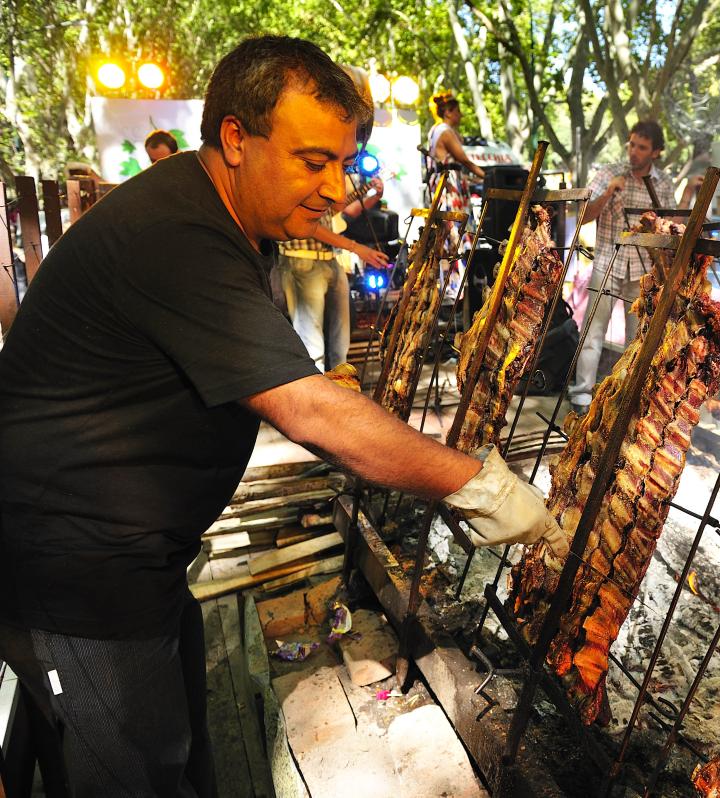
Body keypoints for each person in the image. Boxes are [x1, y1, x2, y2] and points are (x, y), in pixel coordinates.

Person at [0, 36, 566, 796]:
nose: (336, 188)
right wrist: (478, 485)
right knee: (128, 772)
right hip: (73, 569)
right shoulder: (176, 234)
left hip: (135, 556)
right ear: (236, 138)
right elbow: (307, 411)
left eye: (341, 160)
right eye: (312, 161)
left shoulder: (216, 213)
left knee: (175, 746)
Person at [567, 120, 677, 414]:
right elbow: (583, 216)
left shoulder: (663, 184)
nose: (634, 152)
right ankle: (581, 397)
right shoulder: (608, 173)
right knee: (592, 332)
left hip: (642, 269)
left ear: (655, 152)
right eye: (632, 144)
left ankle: (625, 400)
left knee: (636, 339)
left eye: (642, 147)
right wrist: (607, 194)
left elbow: (670, 228)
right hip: (608, 262)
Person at [276, 174, 388, 370]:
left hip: (329, 259)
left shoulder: (326, 176)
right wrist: (356, 247)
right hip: (302, 259)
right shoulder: (298, 176)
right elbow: (310, 226)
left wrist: (373, 196)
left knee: (340, 345)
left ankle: (339, 392)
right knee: (312, 346)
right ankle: (317, 398)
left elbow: (339, 209)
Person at [425, 91, 485, 299]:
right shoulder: (445, 131)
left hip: (447, 185)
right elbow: (464, 160)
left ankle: (453, 288)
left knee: (452, 237)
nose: (461, 115)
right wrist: (487, 177)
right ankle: (457, 291)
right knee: (455, 234)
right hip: (448, 188)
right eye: (458, 111)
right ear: (449, 112)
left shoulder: (435, 130)